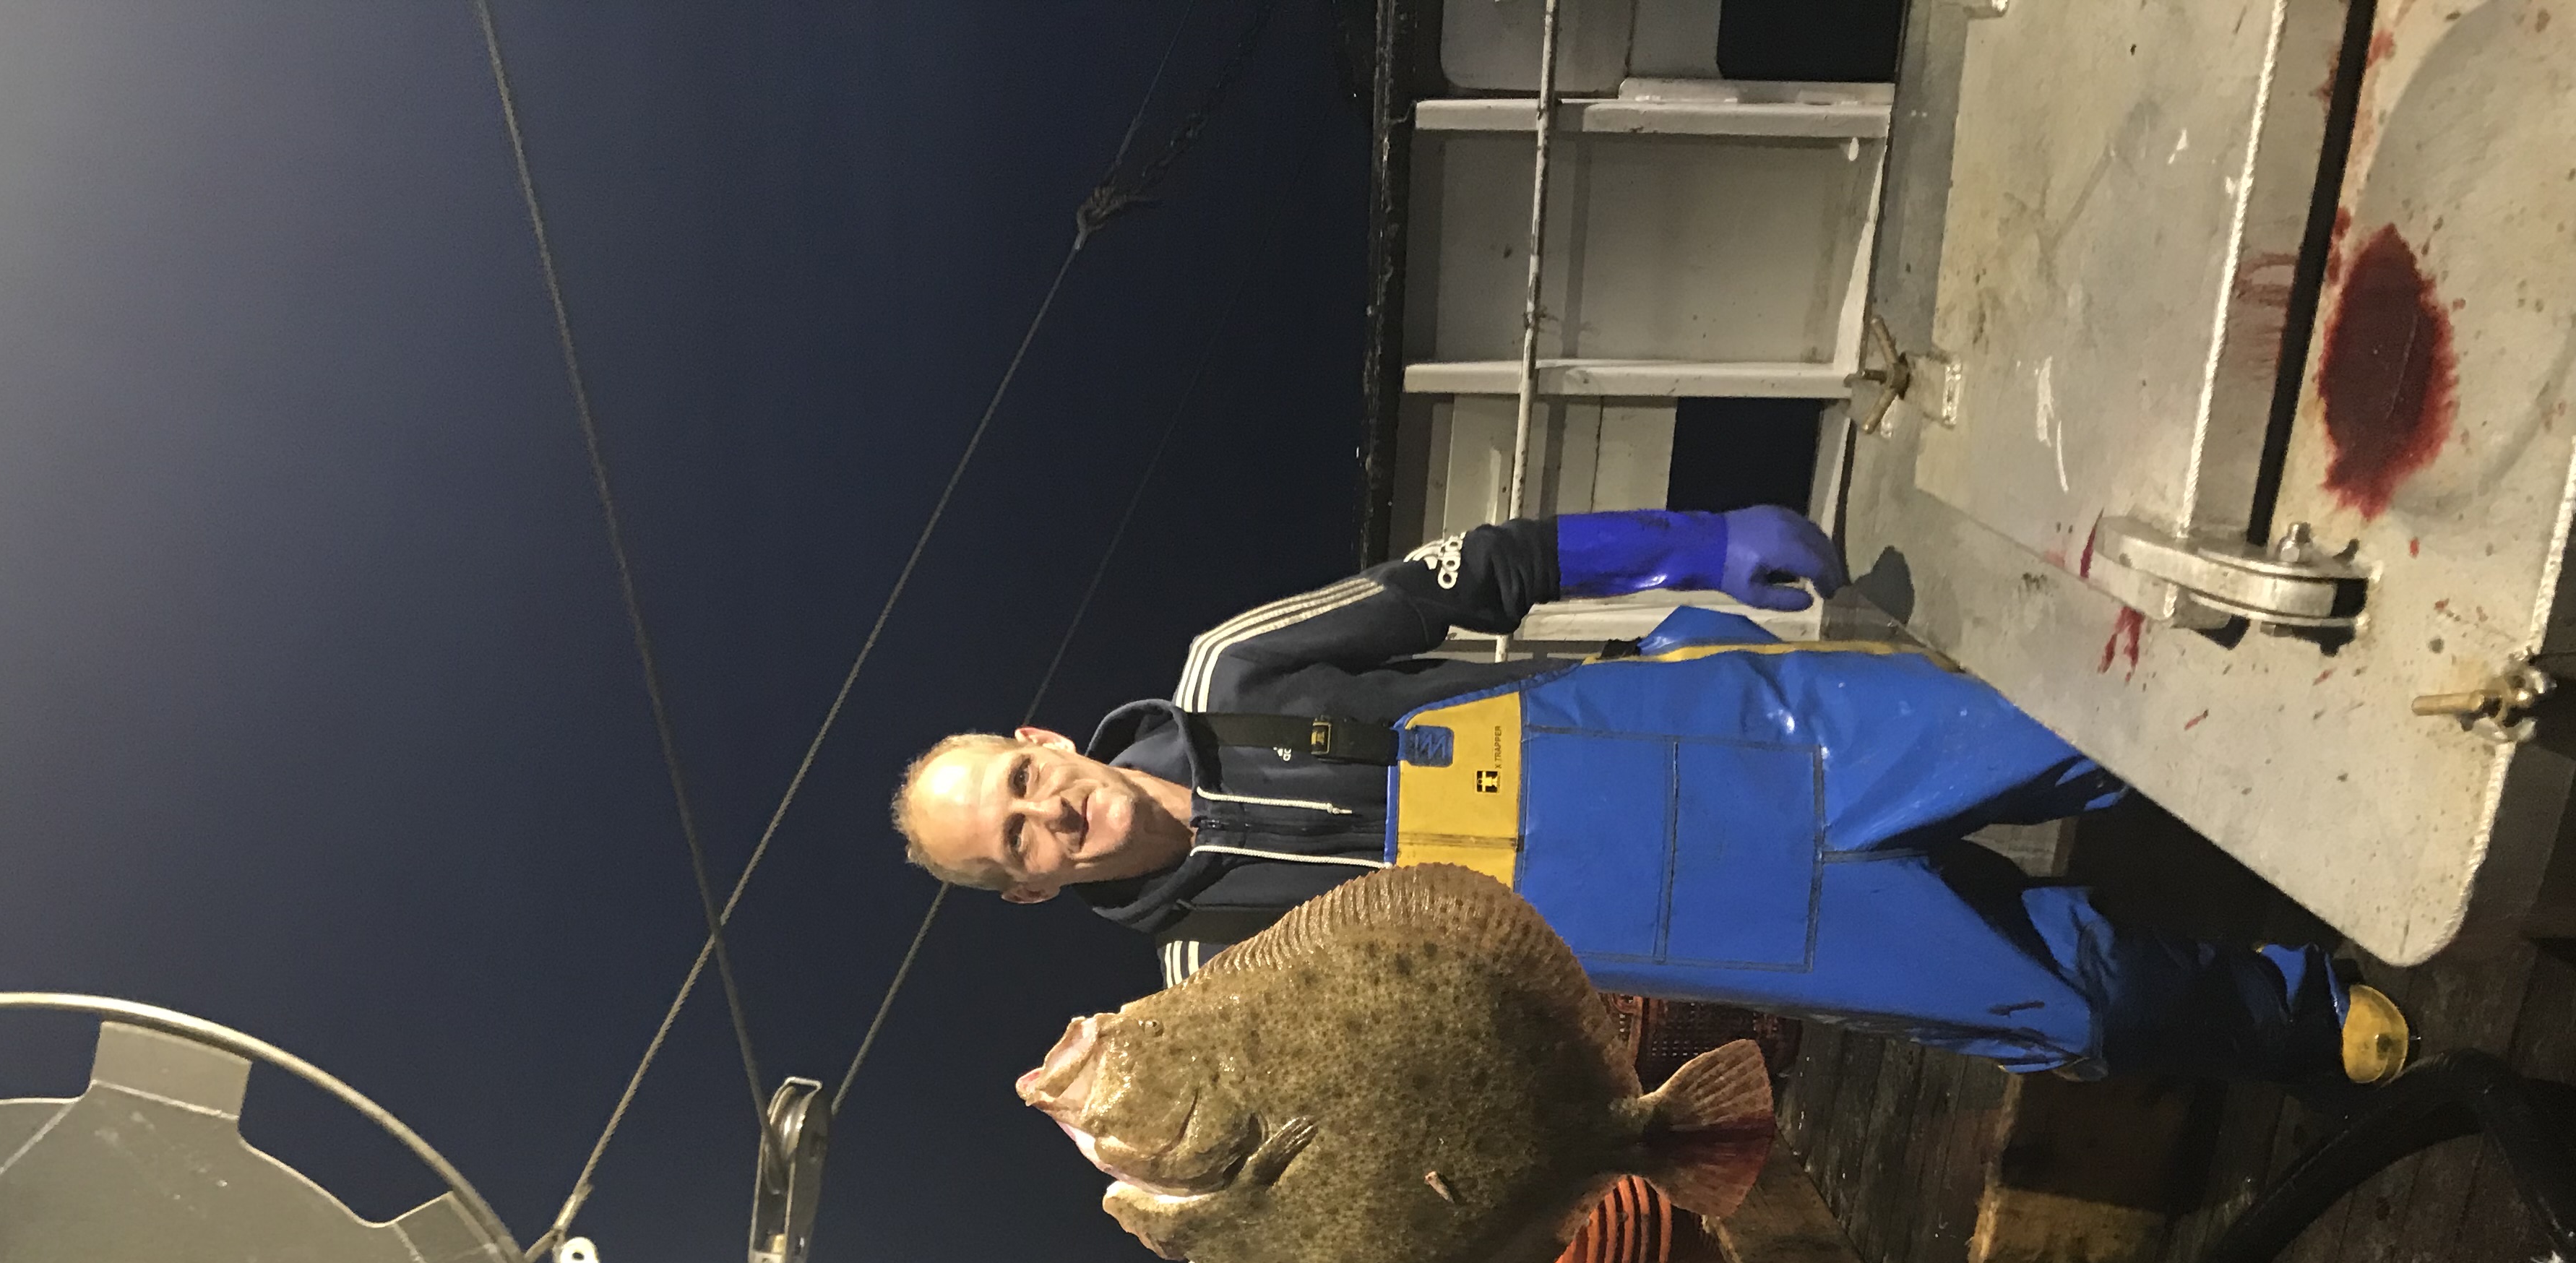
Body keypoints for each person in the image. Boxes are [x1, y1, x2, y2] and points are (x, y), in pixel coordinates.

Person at [891, 507, 2408, 1085]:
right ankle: (2291, 1007)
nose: (1048, 813)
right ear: (1026, 892)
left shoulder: (1236, 670)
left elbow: (1474, 574)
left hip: (1725, 735)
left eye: (1021, 781)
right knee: (2061, 1012)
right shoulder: (1192, 990)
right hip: (1702, 927)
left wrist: (1702, 539)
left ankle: (2374, 719)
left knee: (2084, 722)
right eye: (1015, 841)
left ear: (1044, 735)